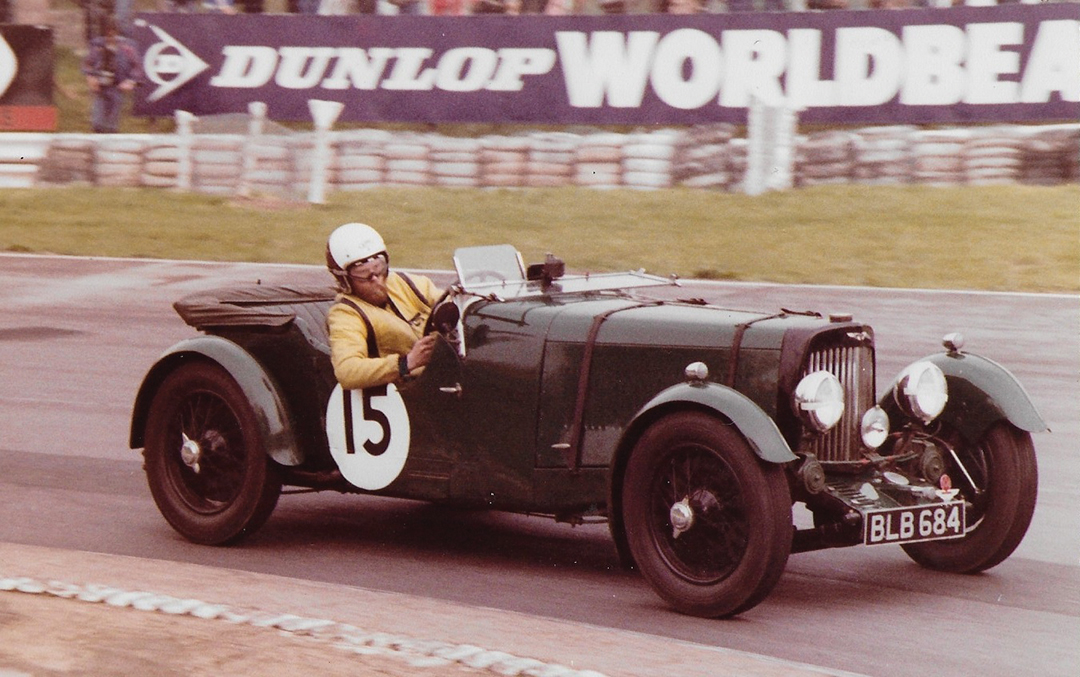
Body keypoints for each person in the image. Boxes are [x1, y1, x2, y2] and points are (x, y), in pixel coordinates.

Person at [326, 222, 442, 391]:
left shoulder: (407, 283)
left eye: (378, 267)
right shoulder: (345, 313)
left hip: (442, 372)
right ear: (344, 279)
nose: (375, 278)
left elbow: (448, 302)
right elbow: (347, 371)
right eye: (363, 273)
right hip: (405, 390)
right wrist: (406, 362)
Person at [81, 17, 141, 134]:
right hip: (100, 86)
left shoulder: (127, 47)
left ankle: (111, 133)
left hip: (117, 87)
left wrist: (131, 81)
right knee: (97, 124)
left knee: (112, 126)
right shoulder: (97, 45)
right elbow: (87, 64)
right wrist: (90, 77)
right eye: (107, 34)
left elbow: (137, 66)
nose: (110, 37)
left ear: (117, 32)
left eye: (112, 33)